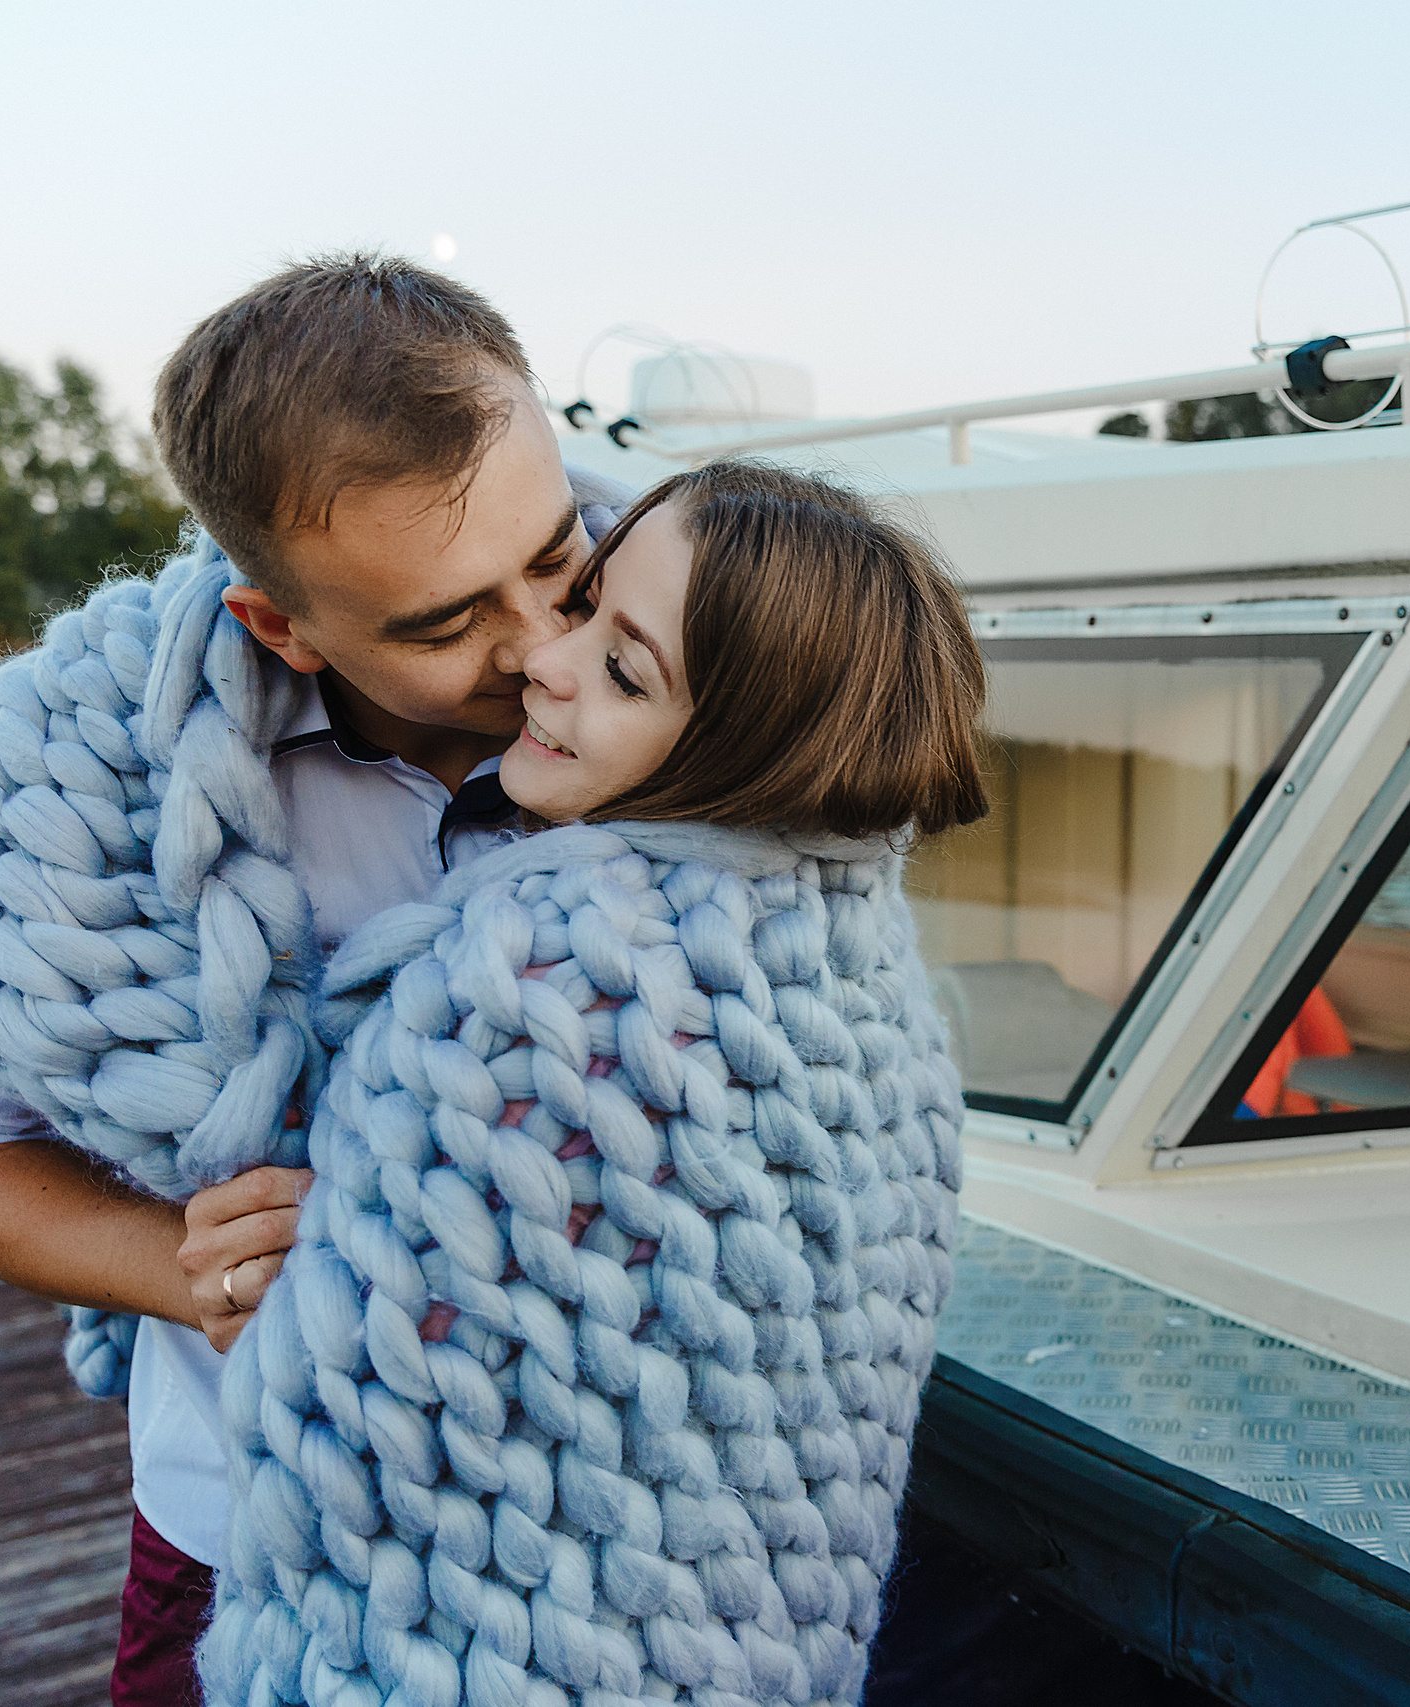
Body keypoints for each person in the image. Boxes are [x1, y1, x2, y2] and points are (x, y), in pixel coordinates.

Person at [0, 254, 630, 1706]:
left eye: (556, 560)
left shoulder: (706, 662)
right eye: (444, 620)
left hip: (609, 1530)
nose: (542, 652)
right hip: (251, 1528)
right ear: (282, 625)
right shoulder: (88, 799)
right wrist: (181, 1268)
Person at [198, 461, 988, 1707]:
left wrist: (301, 1275)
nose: (542, 664)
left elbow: (369, 1405)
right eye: (587, 606)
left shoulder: (544, 975)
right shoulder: (861, 952)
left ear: (744, 747)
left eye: (624, 670)